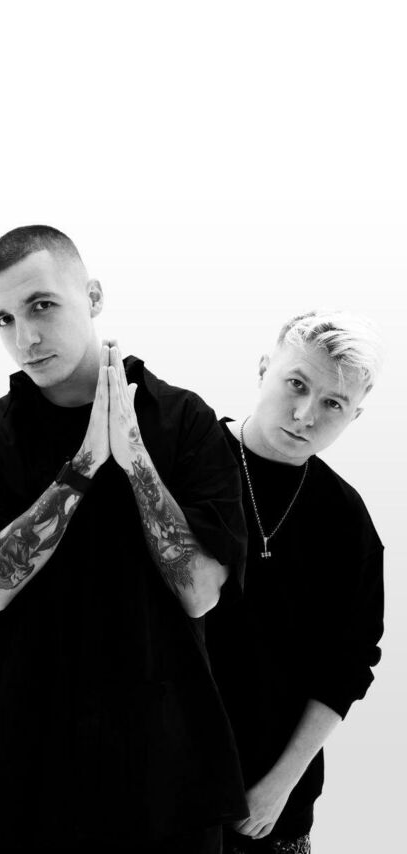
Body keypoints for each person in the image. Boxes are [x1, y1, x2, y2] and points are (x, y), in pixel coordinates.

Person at [0, 225, 249, 854]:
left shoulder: (184, 420)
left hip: (164, 776)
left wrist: (133, 457)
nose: (25, 338)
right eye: (3, 319)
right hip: (26, 777)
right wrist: (84, 464)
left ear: (93, 297)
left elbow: (200, 593)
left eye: (41, 306)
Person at [205, 311, 385, 854]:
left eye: (333, 404)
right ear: (264, 369)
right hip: (152, 787)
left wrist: (277, 789)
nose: (306, 415)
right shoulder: (189, 461)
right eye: (297, 384)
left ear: (355, 416)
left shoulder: (347, 519)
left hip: (265, 808)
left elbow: (348, 666)